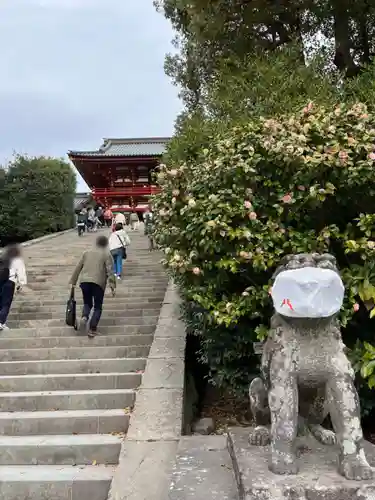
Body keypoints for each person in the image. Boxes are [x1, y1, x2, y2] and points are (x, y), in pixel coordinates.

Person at [69, 235, 116, 338]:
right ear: (105, 244)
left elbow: (78, 267)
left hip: (84, 282)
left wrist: (73, 281)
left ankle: (84, 317)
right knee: (98, 307)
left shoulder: (86, 253)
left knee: (87, 303)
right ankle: (92, 329)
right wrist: (112, 286)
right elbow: (110, 271)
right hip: (98, 283)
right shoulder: (106, 254)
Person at [0, 245, 27, 331]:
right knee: (6, 303)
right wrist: (21, 283)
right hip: (9, 282)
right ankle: (1, 322)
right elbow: (21, 272)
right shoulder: (17, 259)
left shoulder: (2, 256)